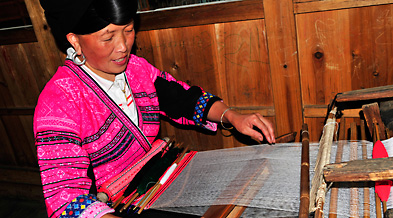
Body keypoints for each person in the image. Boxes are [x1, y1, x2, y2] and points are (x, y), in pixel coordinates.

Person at [34, 0, 276, 217]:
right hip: (115, 205)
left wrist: (231, 116)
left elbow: (182, 99)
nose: (122, 47)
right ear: (74, 39)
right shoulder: (59, 102)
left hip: (160, 173)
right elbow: (64, 199)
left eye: (128, 31)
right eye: (108, 37)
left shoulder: (136, 69)